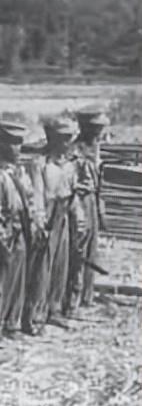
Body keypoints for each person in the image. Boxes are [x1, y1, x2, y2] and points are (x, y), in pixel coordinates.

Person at [0, 123, 45, 346]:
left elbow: (31, 200)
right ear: (1, 145)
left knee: (18, 279)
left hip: (21, 230)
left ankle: (12, 322)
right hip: (4, 232)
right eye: (13, 143)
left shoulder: (21, 172)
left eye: (19, 143)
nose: (17, 148)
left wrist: (35, 223)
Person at [24, 118, 84, 335]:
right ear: (53, 139)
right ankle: (35, 316)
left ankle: (55, 309)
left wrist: (79, 218)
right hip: (47, 216)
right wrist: (39, 222)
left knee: (61, 264)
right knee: (42, 268)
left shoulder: (69, 164)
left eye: (70, 138)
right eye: (63, 138)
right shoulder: (39, 164)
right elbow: (37, 195)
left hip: (64, 215)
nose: (68, 143)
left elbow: (73, 193)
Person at [70, 110, 109, 309]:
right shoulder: (76, 150)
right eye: (97, 128)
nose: (100, 132)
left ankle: (87, 295)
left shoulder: (96, 148)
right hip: (80, 201)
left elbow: (99, 181)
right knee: (79, 252)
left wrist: (100, 209)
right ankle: (73, 299)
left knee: (91, 250)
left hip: (92, 200)